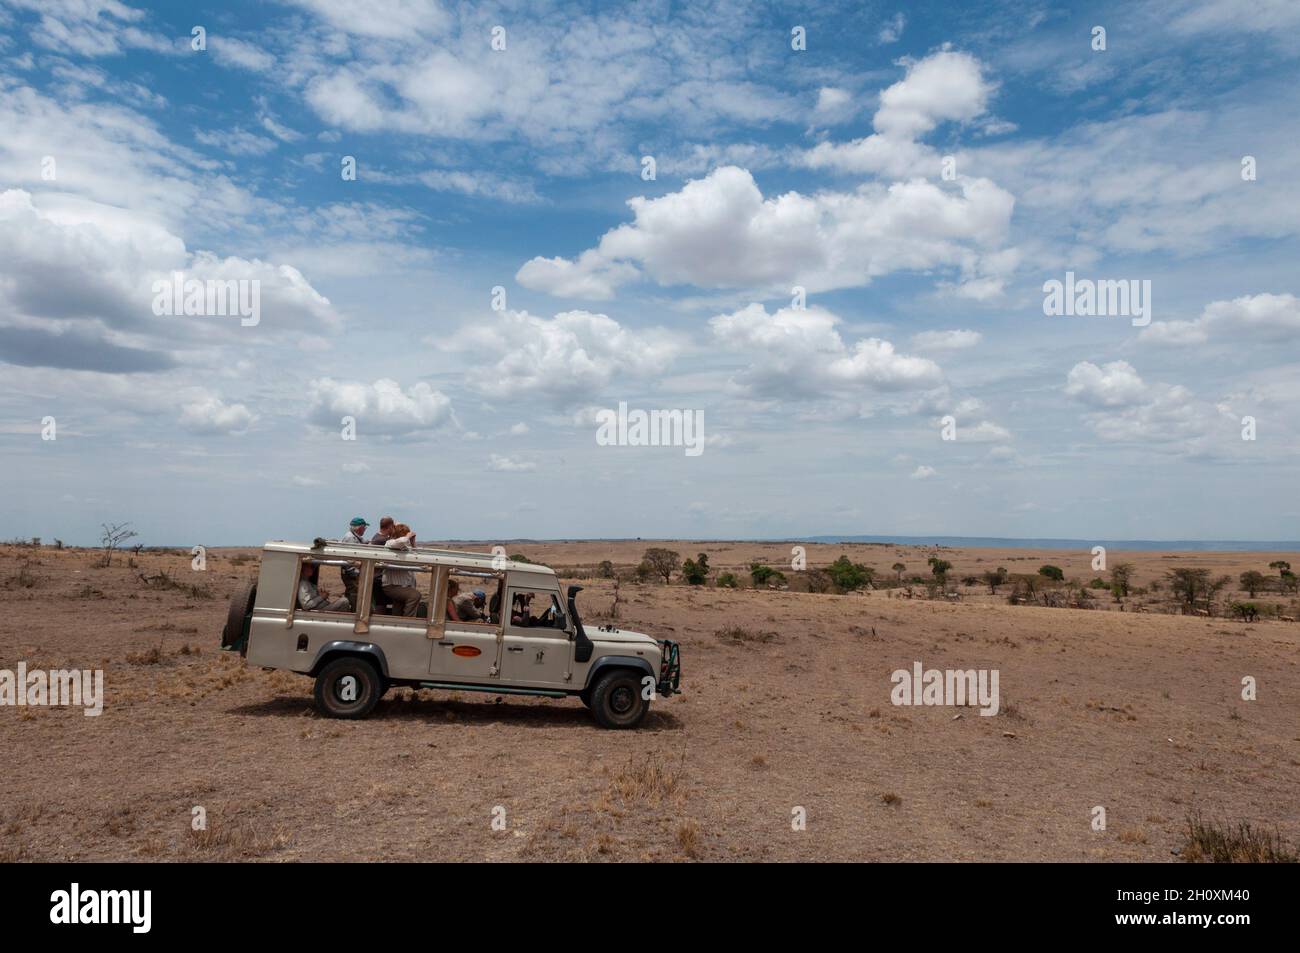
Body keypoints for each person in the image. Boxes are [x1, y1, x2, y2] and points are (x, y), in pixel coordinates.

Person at [381, 524, 422, 616]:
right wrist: (407, 537)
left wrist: (413, 542)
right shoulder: (390, 543)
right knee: (415, 596)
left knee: (398, 607)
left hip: (403, 585)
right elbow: (400, 542)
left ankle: (397, 624)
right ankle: (408, 621)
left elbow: (418, 557)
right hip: (392, 586)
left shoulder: (406, 547)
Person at [338, 516, 368, 610]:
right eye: (364, 528)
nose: (365, 530)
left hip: (351, 572)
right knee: (354, 594)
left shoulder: (354, 536)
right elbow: (349, 559)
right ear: (360, 528)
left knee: (353, 593)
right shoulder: (350, 538)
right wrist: (357, 574)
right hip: (351, 573)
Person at [368, 516, 394, 609]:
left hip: (376, 576)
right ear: (390, 526)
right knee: (380, 605)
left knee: (380, 604)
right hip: (378, 578)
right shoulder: (383, 540)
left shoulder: (377, 537)